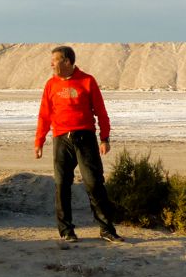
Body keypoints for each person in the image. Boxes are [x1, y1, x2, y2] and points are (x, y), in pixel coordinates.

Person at [34, 45, 123, 243]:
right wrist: (39, 141)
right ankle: (66, 231)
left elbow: (101, 111)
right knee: (62, 185)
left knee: (94, 183)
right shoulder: (51, 85)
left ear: (67, 61)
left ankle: (107, 229)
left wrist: (105, 138)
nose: (51, 64)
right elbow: (44, 115)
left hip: (85, 138)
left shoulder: (87, 81)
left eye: (54, 60)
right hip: (61, 139)